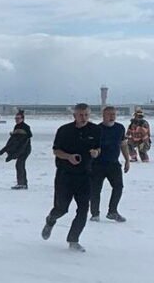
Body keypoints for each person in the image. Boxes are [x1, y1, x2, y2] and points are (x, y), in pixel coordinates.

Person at [41, 103, 101, 252]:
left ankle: (73, 240)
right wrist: (68, 157)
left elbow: (98, 147)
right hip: (65, 175)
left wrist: (96, 152)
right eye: (80, 115)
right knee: (62, 208)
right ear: (74, 115)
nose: (84, 117)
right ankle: (51, 219)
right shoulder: (64, 130)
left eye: (86, 114)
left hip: (85, 175)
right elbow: (56, 151)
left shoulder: (95, 130)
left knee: (83, 209)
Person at [90, 105, 129, 223]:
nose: (112, 117)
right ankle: (95, 214)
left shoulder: (120, 128)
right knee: (95, 190)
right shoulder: (97, 129)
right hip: (98, 165)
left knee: (118, 187)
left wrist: (127, 160)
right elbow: (92, 147)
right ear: (103, 116)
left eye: (114, 114)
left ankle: (113, 211)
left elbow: (123, 144)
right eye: (109, 114)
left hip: (113, 164)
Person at [0, 109, 32, 189]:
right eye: (15, 118)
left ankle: (22, 184)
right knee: (19, 165)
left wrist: (16, 153)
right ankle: (22, 183)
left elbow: (22, 142)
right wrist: (5, 149)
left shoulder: (26, 127)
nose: (16, 120)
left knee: (20, 165)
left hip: (25, 149)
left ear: (22, 119)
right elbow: (13, 141)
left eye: (18, 118)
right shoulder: (17, 127)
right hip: (21, 149)